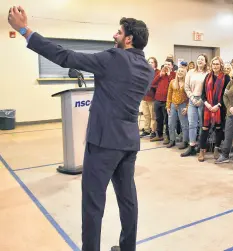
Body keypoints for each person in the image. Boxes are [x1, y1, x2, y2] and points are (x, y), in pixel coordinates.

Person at [8, 6, 154, 251]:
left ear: (128, 39)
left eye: (118, 33)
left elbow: (65, 56)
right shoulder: (147, 69)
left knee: (93, 203)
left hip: (104, 143)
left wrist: (25, 31)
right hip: (129, 142)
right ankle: (128, 247)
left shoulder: (113, 58)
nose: (114, 36)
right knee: (128, 200)